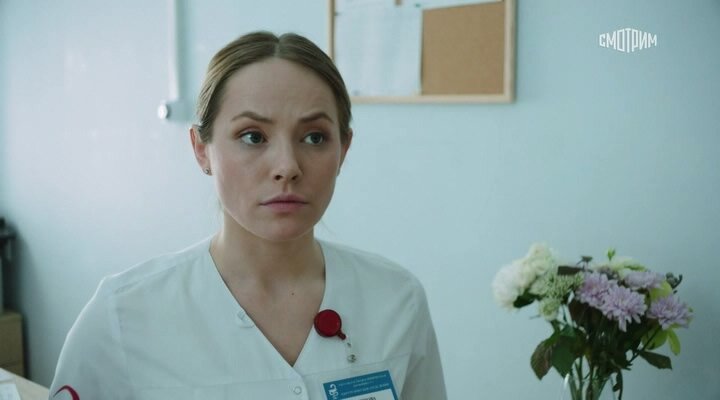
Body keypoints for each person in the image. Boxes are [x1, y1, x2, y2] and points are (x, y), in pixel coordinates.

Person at [49, 31, 447, 400]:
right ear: (201, 150)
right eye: (253, 136)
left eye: (314, 137)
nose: (287, 166)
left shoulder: (396, 301)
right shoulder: (123, 316)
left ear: (343, 150)